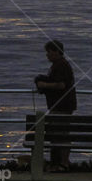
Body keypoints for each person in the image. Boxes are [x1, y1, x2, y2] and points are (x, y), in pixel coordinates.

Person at [34, 40, 77, 172]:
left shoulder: (61, 65)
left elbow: (61, 85)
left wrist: (44, 85)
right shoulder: (58, 65)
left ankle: (63, 163)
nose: (47, 55)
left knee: (61, 134)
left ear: (57, 52)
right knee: (59, 134)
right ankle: (61, 162)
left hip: (61, 106)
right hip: (60, 105)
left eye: (49, 52)